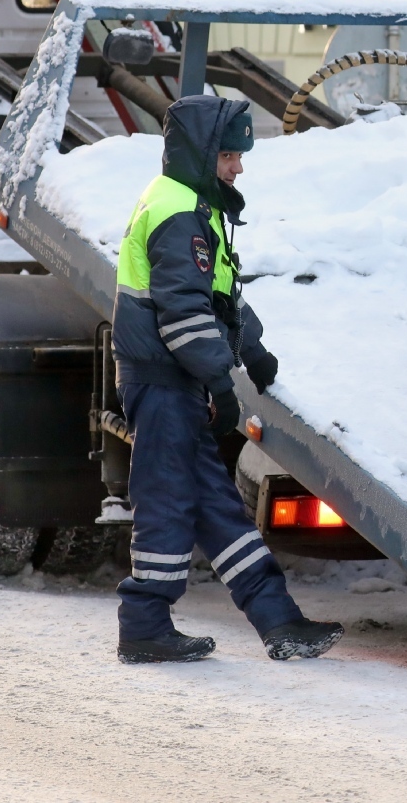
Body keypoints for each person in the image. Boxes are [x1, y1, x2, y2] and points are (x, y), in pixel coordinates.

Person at [111, 93, 344, 664]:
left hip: (176, 381)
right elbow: (184, 314)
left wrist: (254, 353)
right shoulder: (176, 212)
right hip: (162, 383)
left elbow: (221, 299)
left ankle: (279, 621)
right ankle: (143, 627)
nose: (239, 167)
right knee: (167, 501)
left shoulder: (197, 205)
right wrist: (221, 382)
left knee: (217, 508)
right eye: (229, 156)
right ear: (201, 152)